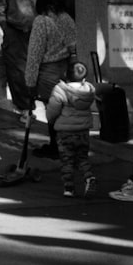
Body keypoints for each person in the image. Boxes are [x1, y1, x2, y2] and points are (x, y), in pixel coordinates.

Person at [24, 0, 77, 159]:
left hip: (48, 72)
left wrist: (30, 82)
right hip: (64, 70)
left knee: (52, 111)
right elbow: (73, 47)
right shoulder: (67, 19)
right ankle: (66, 146)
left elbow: (34, 55)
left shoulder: (41, 21)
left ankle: (56, 147)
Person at [44, 60, 97, 198]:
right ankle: (89, 177)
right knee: (82, 158)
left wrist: (50, 120)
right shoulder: (88, 91)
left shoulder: (60, 90)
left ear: (65, 75)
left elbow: (53, 110)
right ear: (84, 78)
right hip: (83, 132)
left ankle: (69, 188)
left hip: (65, 132)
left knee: (67, 160)